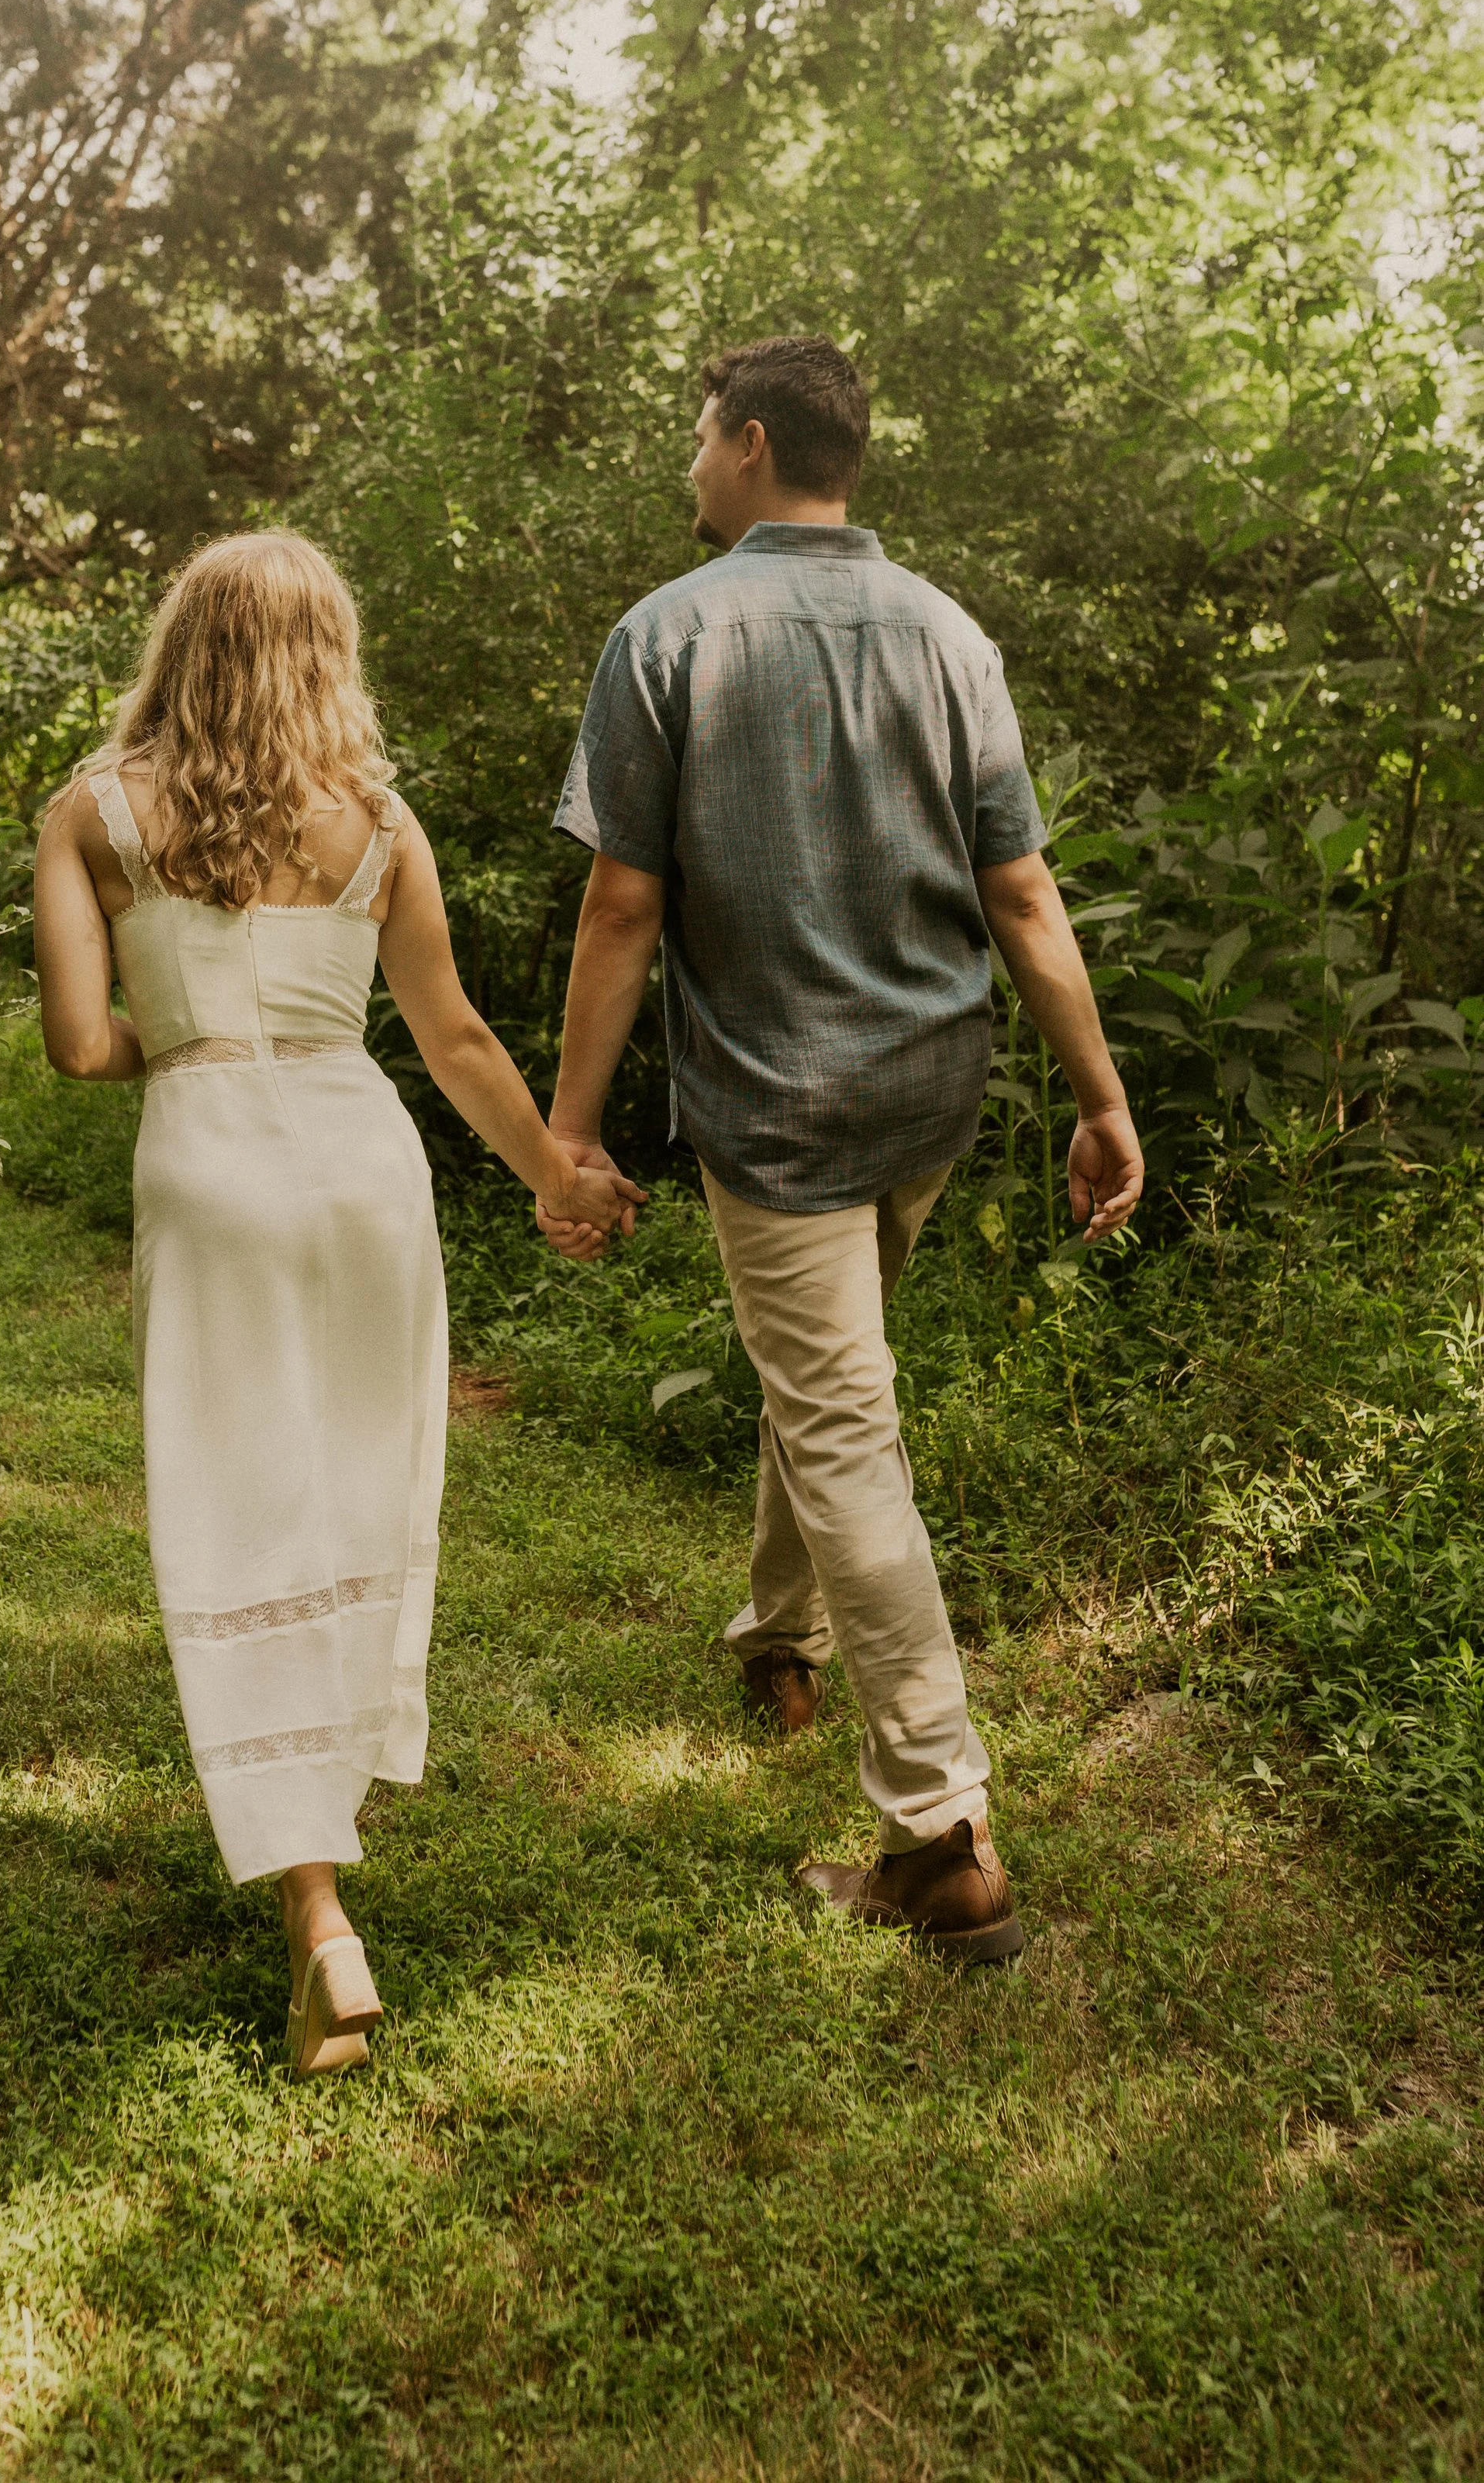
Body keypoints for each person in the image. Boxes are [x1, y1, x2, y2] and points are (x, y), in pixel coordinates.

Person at [539, 336, 1143, 1966]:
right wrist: (1100, 1096)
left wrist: (567, 1128)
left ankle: (939, 1835)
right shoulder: (947, 634)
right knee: (828, 1379)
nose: (685, 466)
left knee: (840, 1421)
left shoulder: (664, 635)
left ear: (746, 445)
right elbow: (1021, 894)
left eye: (692, 438)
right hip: (923, 1100)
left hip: (780, 1107)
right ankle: (775, 1638)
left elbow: (619, 901)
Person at [34, 532, 640, 2073]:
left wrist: (175, 1030)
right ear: (325, 655)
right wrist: (553, 1178)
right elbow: (454, 1045)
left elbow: (78, 1048)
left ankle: (316, 1911)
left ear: (182, 649)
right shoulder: (377, 828)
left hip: (210, 1158)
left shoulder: (92, 816)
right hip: (364, 1163)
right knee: (361, 1489)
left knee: (239, 1512)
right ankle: (326, 1818)